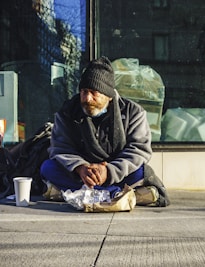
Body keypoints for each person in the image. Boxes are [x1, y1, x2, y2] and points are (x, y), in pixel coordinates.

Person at [40, 56, 169, 207]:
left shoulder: (133, 112)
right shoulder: (67, 112)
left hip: (116, 172)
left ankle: (82, 193)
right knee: (48, 167)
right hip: (81, 175)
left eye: (94, 92)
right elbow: (60, 147)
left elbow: (139, 150)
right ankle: (114, 194)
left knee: (141, 171)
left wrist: (108, 171)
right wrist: (80, 167)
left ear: (108, 95)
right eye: (84, 91)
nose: (87, 98)